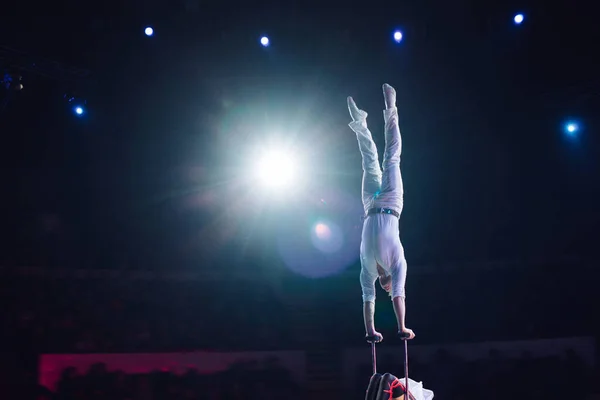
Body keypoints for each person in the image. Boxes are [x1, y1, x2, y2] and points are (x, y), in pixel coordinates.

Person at [347, 84, 415, 342]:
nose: (387, 290)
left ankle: (360, 122)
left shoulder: (368, 272)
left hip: (369, 204)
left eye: (384, 289)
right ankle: (391, 107)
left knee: (369, 160)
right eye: (388, 289)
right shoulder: (398, 264)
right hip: (391, 204)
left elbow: (368, 300)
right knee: (391, 159)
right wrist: (402, 327)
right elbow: (399, 293)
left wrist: (370, 331)